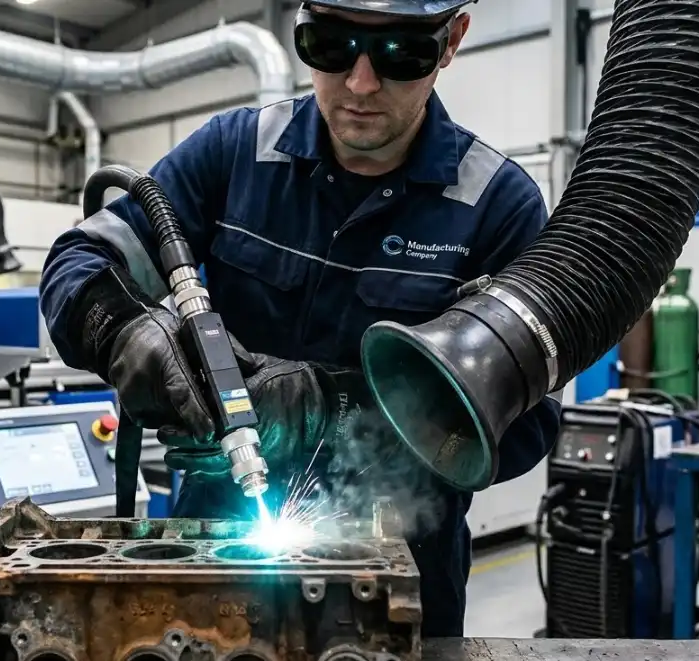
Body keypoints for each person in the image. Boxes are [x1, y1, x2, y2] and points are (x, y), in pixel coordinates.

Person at [40, 0, 561, 636]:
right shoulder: (235, 154)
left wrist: (330, 412)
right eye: (332, 45)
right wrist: (126, 334)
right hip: (217, 552)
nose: (361, 83)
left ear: (451, 40)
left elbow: (525, 424)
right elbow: (79, 262)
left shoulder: (496, 205)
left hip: (395, 580)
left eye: (400, 52)